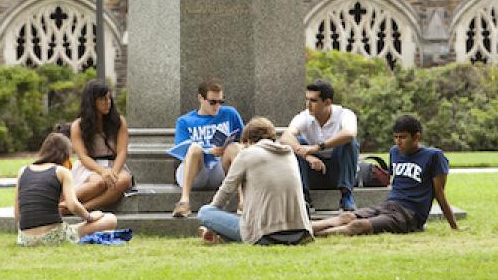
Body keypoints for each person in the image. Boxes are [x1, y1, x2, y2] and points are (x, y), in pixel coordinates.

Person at [312, 115, 460, 236]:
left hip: (409, 214)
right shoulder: (394, 152)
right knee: (347, 217)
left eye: (402, 137)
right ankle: (304, 228)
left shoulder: (434, 156)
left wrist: (454, 226)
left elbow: (440, 193)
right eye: (395, 137)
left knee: (358, 225)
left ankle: (311, 237)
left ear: (416, 137)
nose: (398, 142)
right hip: (389, 205)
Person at [196, 117, 313, 245]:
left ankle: (217, 233)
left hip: (265, 234)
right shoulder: (289, 154)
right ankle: (220, 236)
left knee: (205, 212)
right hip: (300, 233)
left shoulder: (247, 154)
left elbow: (225, 193)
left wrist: (214, 218)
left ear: (248, 141)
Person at [14, 133, 117, 246]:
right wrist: (90, 217)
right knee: (110, 219)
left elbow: (17, 212)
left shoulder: (22, 171)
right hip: (53, 236)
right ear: (65, 155)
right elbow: (72, 205)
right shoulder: (61, 171)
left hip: (25, 239)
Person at [280, 79, 359, 211]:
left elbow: (350, 133)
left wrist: (318, 147)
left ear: (327, 102)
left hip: (337, 172)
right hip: (311, 170)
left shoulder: (345, 114)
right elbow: (285, 137)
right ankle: (303, 198)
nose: (308, 105)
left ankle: (346, 196)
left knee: (349, 142)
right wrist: (307, 155)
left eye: (313, 101)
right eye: (307, 99)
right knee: (297, 141)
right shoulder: (304, 117)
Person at [172, 78, 244, 218]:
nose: (217, 106)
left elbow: (246, 141)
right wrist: (208, 150)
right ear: (201, 98)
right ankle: (184, 202)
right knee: (194, 148)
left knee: (235, 147)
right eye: (212, 102)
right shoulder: (185, 121)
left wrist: (227, 148)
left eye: (220, 102)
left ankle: (243, 202)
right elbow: (182, 151)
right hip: (195, 172)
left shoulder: (230, 114)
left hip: (220, 169)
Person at [69, 79, 133, 211]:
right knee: (99, 182)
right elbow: (83, 156)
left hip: (114, 165)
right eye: (103, 99)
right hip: (90, 166)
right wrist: (103, 172)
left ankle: (82, 208)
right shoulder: (78, 126)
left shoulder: (119, 121)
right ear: (92, 101)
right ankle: (64, 201)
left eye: (109, 98)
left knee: (124, 180)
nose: (108, 103)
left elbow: (122, 152)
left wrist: (113, 173)